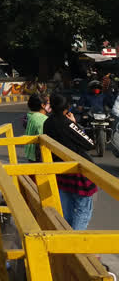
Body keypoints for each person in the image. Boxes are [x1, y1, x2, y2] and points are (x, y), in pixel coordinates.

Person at [43, 93, 97, 230]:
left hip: (59, 170)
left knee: (66, 211)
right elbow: (90, 143)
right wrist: (75, 124)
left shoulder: (47, 123)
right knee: (83, 210)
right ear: (67, 107)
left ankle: (67, 240)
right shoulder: (68, 124)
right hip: (76, 170)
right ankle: (76, 244)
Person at [24, 93, 50, 162]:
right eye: (48, 103)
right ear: (43, 105)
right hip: (40, 154)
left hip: (31, 153)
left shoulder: (29, 116)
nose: (51, 105)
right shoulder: (42, 120)